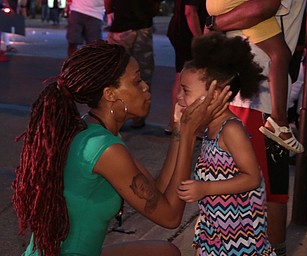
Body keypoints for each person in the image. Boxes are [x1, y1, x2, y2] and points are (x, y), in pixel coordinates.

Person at [12, 40, 231, 256]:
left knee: (165, 251)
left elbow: (158, 191)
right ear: (110, 94)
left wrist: (179, 130)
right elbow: (170, 217)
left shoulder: (94, 127)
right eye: (136, 81)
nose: (145, 86)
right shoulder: (104, 149)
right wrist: (189, 135)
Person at [207, 1, 307, 255]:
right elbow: (262, 7)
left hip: (255, 94)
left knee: (262, 187)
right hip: (251, 94)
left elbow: (264, 7)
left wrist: (214, 24)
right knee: (261, 187)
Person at [176, 31, 275, 256]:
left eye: (186, 91)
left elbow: (252, 178)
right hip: (215, 233)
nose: (179, 97)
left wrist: (205, 188)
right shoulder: (209, 128)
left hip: (241, 241)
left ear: (216, 93)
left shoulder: (230, 129)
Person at [206, 0, 303, 154]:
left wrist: (211, 23)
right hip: (257, 95)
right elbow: (264, 7)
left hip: (240, 85)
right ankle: (279, 121)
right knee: (280, 54)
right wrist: (214, 23)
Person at [105, 0, 161, 128]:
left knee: (115, 73)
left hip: (121, 25)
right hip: (143, 25)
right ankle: (139, 116)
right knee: (143, 73)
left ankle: (116, 116)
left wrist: (110, 12)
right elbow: (155, 6)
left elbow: (107, 3)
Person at [165, 0, 208, 134]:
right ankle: (179, 123)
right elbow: (189, 11)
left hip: (183, 32)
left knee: (181, 76)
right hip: (187, 34)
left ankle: (174, 123)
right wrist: (200, 40)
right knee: (191, 78)